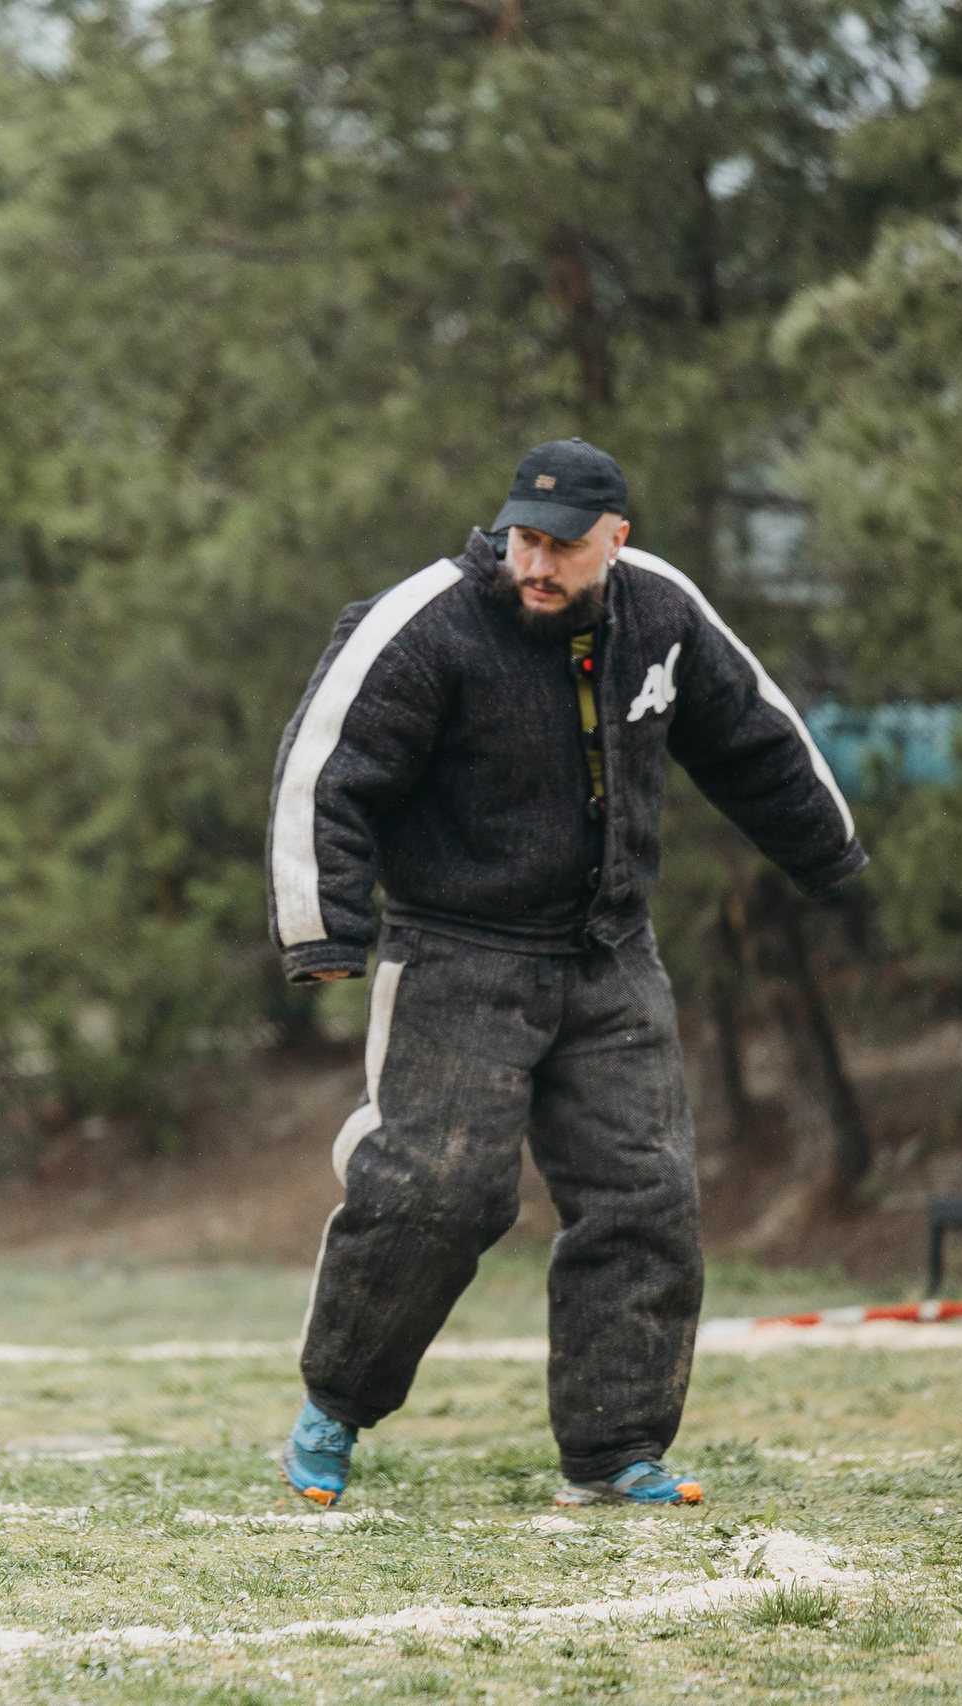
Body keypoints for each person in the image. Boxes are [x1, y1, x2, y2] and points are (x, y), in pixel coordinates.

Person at [264, 439, 865, 1508]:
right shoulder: (426, 624)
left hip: (609, 954)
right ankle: (332, 1410)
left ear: (615, 540)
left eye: (562, 545)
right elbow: (327, 767)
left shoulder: (662, 610)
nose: (534, 564)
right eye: (522, 539)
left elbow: (756, 738)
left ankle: (613, 1449)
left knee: (644, 1196)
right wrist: (324, 929)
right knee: (438, 1192)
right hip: (456, 951)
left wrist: (831, 860)